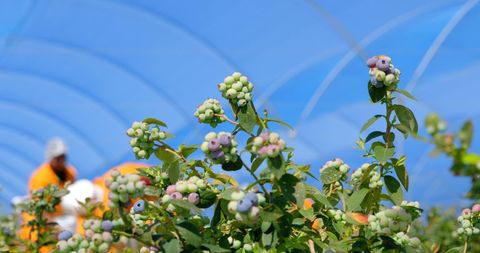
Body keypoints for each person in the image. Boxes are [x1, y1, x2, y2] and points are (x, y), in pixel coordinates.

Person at [20, 138, 77, 250]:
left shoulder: (71, 173)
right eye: (57, 158)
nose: (61, 161)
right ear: (50, 158)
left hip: (59, 221)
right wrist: (56, 228)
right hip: (40, 226)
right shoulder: (40, 178)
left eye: (63, 157)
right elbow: (40, 210)